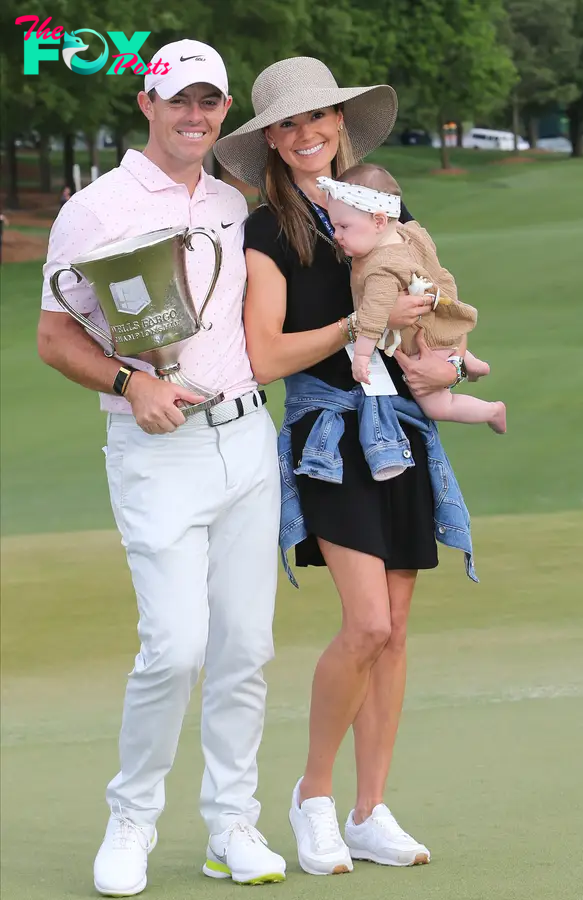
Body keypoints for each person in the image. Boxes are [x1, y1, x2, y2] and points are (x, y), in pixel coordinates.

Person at [214, 56, 476, 877]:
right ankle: (314, 798)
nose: (305, 134)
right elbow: (263, 355)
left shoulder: (384, 206)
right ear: (269, 142)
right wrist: (359, 328)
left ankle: (371, 810)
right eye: (286, 124)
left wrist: (438, 347)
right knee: (365, 623)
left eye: (316, 118)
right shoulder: (265, 231)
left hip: (400, 430)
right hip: (328, 438)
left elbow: (426, 303)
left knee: (394, 631)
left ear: (339, 123)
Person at [37, 39, 285, 896]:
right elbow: (53, 335)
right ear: (147, 100)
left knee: (246, 647)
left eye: (210, 102)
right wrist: (125, 380)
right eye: (179, 99)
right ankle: (132, 820)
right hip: (156, 449)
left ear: (223, 112)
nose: (195, 116)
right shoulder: (94, 208)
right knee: (177, 647)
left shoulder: (231, 197)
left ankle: (232, 826)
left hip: (248, 439)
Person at [317, 165, 507, 434]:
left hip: (422, 347)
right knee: (445, 347)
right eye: (335, 226)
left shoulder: (380, 267)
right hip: (442, 327)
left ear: (379, 221)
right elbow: (438, 270)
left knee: (439, 407)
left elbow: (372, 317)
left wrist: (360, 357)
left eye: (344, 226)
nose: (337, 235)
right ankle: (469, 362)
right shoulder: (410, 234)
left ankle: (492, 410)